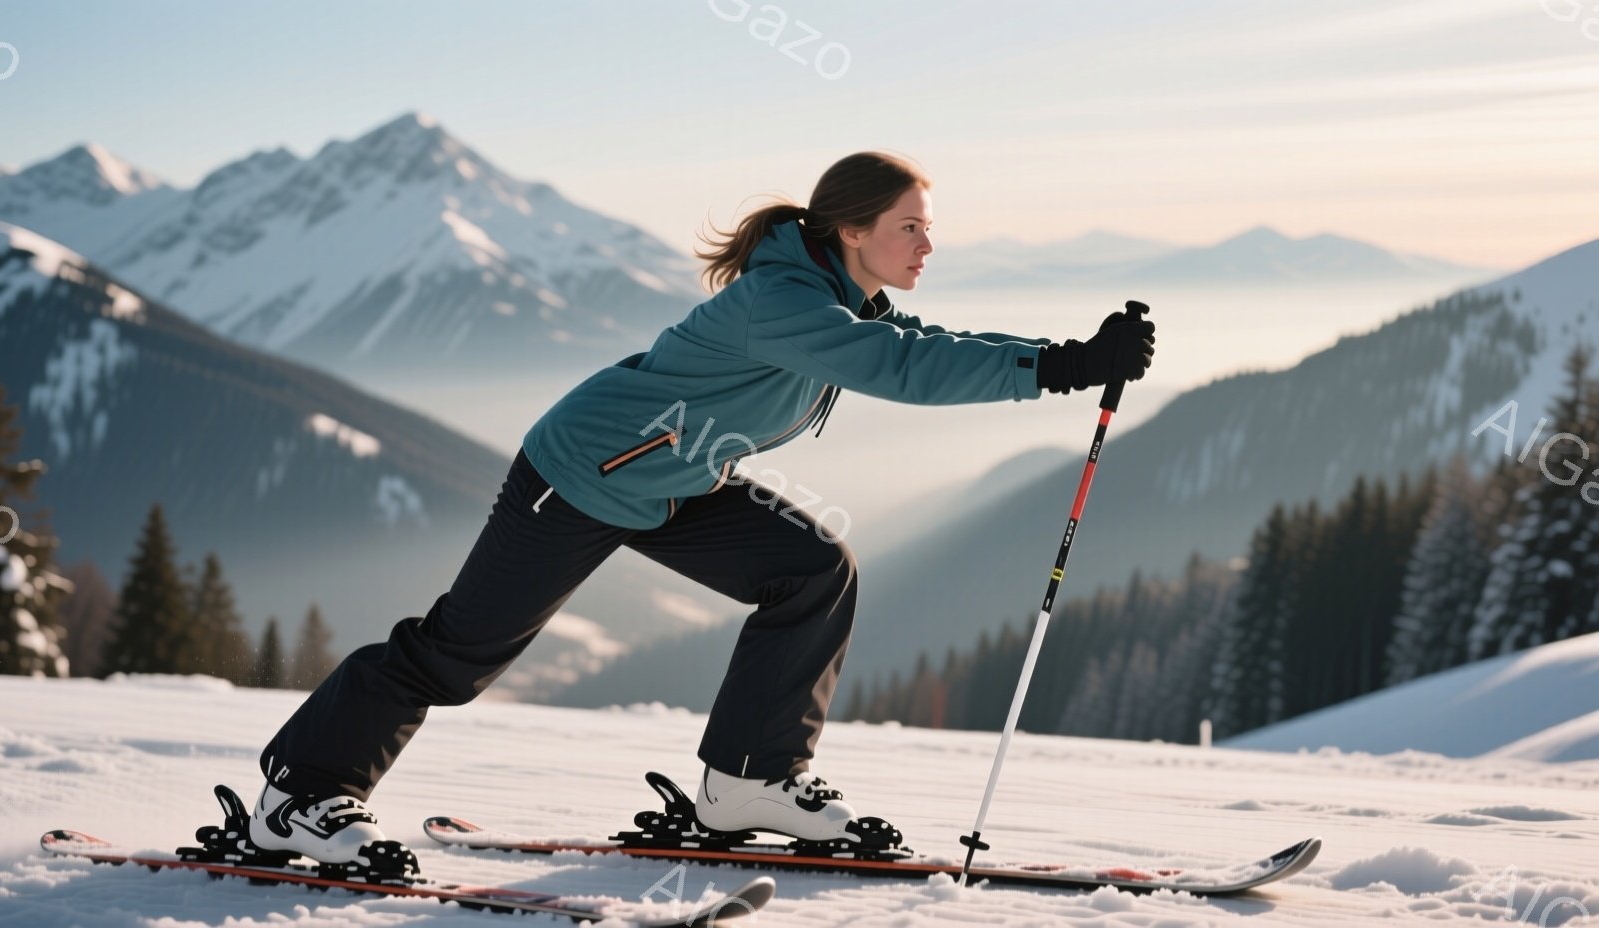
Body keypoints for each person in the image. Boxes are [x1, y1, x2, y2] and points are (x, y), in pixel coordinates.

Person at [247, 151, 1157, 864]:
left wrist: (1068, 354)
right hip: (583, 472)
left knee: (812, 569)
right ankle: (299, 795)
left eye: (930, 227)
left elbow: (919, 340)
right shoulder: (784, 301)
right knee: (458, 653)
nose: (927, 245)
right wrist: (1062, 366)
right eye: (909, 227)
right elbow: (902, 367)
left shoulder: (837, 294)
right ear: (850, 230)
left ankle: (750, 781)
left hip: (676, 477)